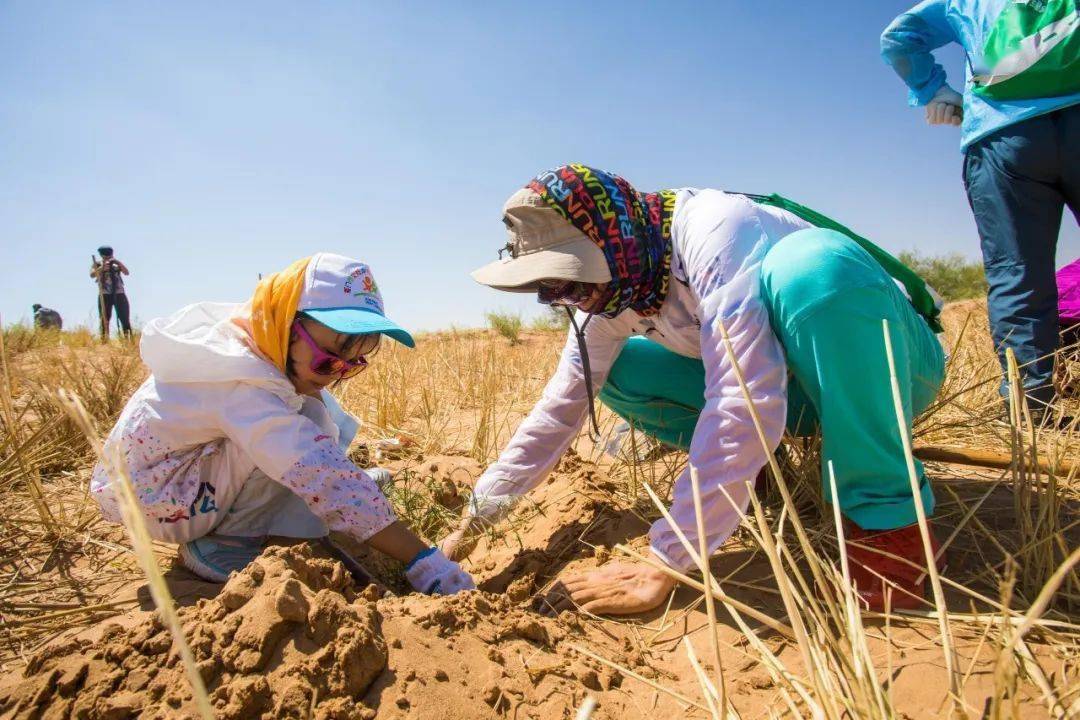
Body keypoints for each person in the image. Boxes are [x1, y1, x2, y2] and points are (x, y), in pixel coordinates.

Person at [443, 164, 946, 613]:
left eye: (570, 276)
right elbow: (557, 412)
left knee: (812, 270)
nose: (564, 297)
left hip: (887, 368)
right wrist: (477, 515)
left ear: (614, 237)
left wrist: (668, 558)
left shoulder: (714, 232)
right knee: (621, 367)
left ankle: (887, 516)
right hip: (799, 399)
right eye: (549, 287)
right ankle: (762, 474)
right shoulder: (615, 293)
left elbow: (740, 398)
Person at [91, 252, 474, 595]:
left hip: (182, 478)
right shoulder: (239, 384)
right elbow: (319, 470)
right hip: (160, 498)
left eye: (354, 362)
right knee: (299, 441)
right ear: (286, 322)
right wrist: (423, 560)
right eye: (330, 357)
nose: (337, 371)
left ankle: (308, 508)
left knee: (313, 410)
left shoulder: (253, 349)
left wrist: (348, 491)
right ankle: (224, 542)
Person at [881, 0, 1080, 423]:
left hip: (1001, 136)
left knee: (1016, 274)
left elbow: (898, 38)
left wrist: (933, 90)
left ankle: (1032, 411)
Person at [91, 246, 133, 340]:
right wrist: (102, 268)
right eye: (105, 256)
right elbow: (92, 274)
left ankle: (128, 340)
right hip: (104, 294)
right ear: (101, 256)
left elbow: (126, 272)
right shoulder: (97, 264)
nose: (107, 258)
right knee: (104, 318)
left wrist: (117, 262)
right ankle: (105, 340)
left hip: (119, 293)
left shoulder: (116, 264)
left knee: (124, 317)